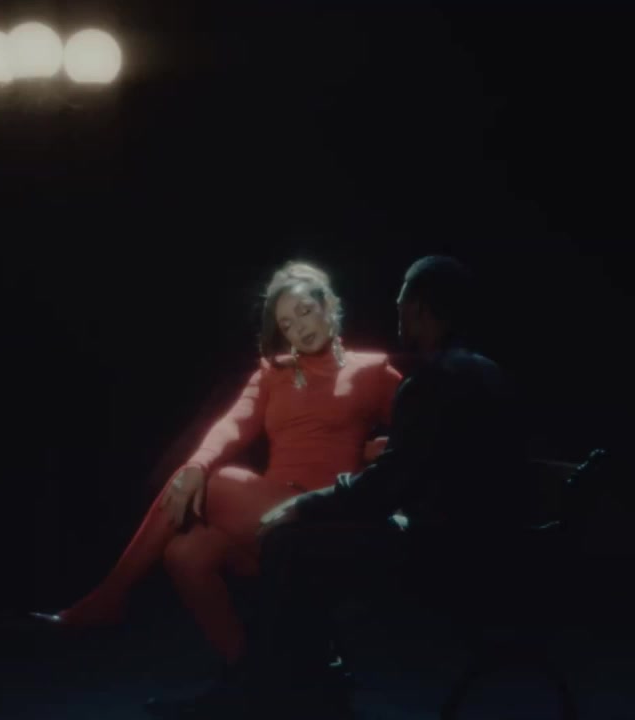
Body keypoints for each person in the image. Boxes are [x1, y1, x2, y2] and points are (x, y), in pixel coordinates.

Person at [154, 255, 531, 719]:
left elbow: (391, 485)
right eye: (287, 322)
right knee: (258, 543)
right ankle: (296, 679)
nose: (397, 312)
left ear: (419, 308)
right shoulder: (487, 373)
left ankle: (281, 688)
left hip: (444, 548)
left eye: (401, 302)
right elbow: (424, 464)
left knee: (290, 542)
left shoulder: (432, 380)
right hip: (491, 538)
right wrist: (386, 455)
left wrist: (309, 505)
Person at [31, 261, 403, 671]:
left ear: (328, 305)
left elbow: (427, 435)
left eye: (305, 311)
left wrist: (379, 451)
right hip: (267, 517)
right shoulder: (272, 373)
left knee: (218, 482)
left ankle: (108, 598)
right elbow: (233, 424)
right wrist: (196, 464)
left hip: (322, 515)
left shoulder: (372, 370)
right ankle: (250, 673)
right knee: (185, 553)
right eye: (287, 323)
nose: (299, 327)